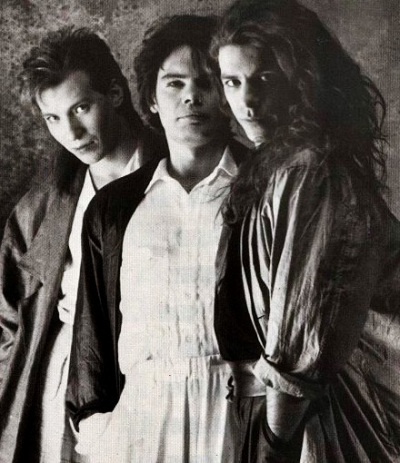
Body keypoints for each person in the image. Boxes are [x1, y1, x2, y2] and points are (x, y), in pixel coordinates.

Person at [212, 0, 400, 461]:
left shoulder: (310, 169)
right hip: (298, 408)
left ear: (301, 79)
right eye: (232, 82)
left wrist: (274, 442)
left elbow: (303, 332)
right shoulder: (279, 164)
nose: (246, 102)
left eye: (264, 79)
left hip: (333, 412)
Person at [66, 15, 247, 463]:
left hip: (241, 410)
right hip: (142, 420)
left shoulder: (264, 187)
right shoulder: (113, 208)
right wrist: (96, 426)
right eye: (175, 83)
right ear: (150, 97)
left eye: (208, 82)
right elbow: (93, 335)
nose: (192, 96)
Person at [0, 27, 163, 463]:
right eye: (53, 119)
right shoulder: (44, 204)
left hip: (152, 371)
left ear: (115, 93)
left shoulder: (171, 173)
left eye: (81, 108)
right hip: (63, 372)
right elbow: (7, 312)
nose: (71, 133)